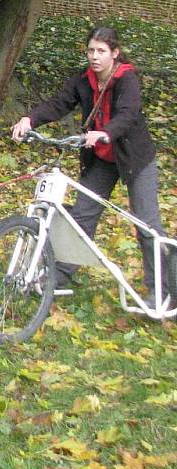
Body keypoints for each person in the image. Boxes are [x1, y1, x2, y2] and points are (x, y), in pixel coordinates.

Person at [11, 26, 168, 307]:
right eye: (91, 51)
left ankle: (162, 292)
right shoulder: (85, 80)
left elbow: (129, 114)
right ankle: (58, 276)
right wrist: (29, 119)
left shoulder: (126, 79)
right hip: (102, 160)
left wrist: (105, 132)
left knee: (147, 225)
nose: (94, 57)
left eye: (101, 51)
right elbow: (59, 103)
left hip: (134, 158)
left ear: (115, 54)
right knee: (81, 217)